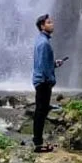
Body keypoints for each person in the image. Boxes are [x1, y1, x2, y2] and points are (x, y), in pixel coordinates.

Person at [31, 13, 65, 152]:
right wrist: (50, 80)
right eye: (49, 22)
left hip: (40, 80)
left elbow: (44, 63)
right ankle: (38, 143)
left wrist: (55, 64)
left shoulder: (40, 41)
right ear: (42, 26)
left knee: (41, 110)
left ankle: (38, 141)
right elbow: (43, 66)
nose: (52, 24)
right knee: (41, 112)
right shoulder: (44, 43)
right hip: (43, 81)